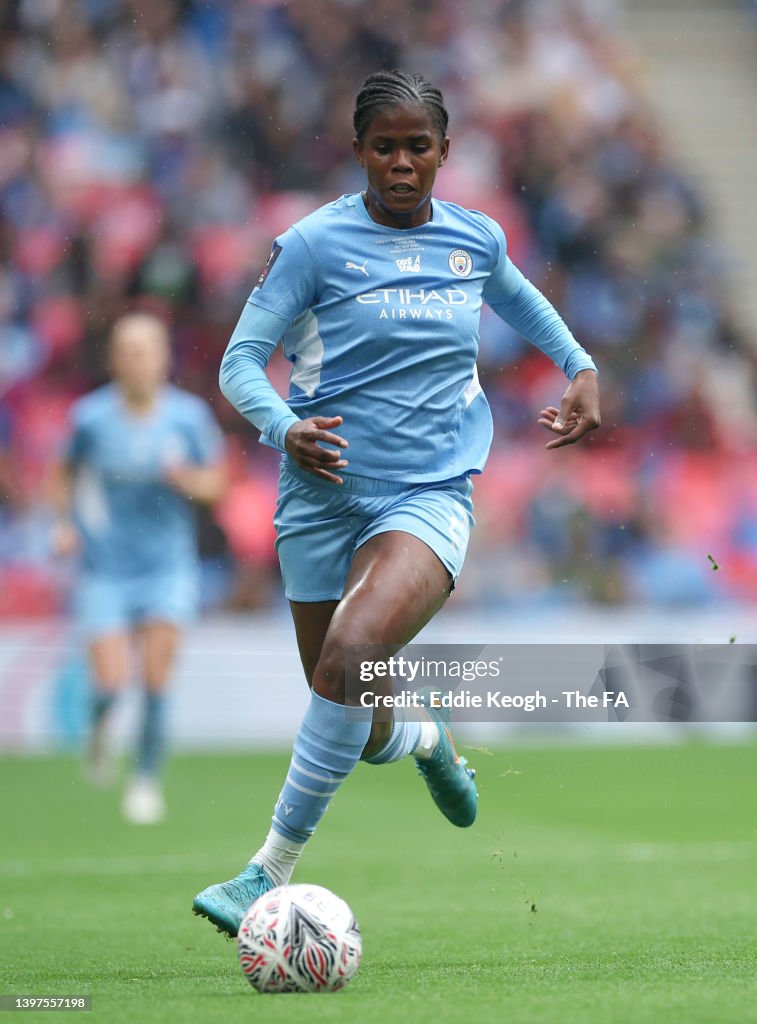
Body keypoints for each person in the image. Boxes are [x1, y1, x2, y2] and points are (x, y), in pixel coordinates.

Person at [193, 70, 600, 934]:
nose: (403, 163)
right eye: (386, 147)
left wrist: (581, 369)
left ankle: (265, 869)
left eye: (419, 147)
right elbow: (238, 363)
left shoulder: (474, 241)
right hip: (317, 496)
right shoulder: (310, 245)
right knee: (343, 691)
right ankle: (423, 736)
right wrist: (280, 427)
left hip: (428, 492)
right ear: (358, 153)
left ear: (445, 152)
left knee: (352, 650)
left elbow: (524, 305)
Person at [53, 312, 227, 824]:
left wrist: (187, 480)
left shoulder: (188, 417)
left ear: (163, 357)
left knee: (154, 680)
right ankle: (99, 728)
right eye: (128, 350)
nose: (138, 360)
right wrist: (63, 523)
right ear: (113, 360)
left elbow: (217, 483)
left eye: (147, 349)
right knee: (110, 683)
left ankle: (145, 780)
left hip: (167, 568)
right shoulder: (89, 417)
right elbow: (62, 472)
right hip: (104, 569)